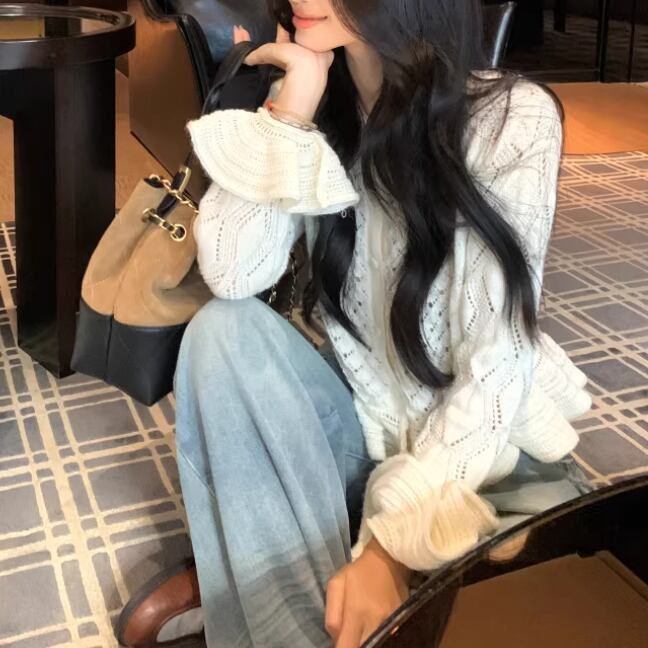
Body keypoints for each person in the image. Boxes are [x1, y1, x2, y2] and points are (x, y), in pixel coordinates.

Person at [117, 1, 593, 646]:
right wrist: (291, 111)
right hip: (364, 432)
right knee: (220, 333)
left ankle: (283, 593)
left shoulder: (510, 118)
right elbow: (231, 272)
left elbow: (498, 364)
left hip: (485, 457)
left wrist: (392, 547)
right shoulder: (320, 109)